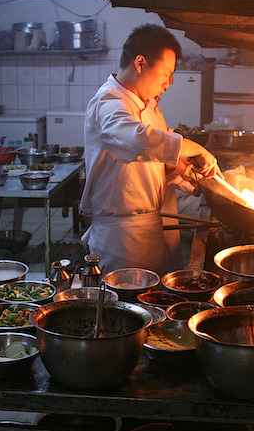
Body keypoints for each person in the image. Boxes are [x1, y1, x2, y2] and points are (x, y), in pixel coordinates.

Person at [81, 24, 219, 275]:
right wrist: (193, 148)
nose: (170, 82)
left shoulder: (150, 107)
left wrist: (181, 171)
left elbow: (146, 160)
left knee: (153, 305)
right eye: (166, 72)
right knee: (126, 305)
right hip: (121, 238)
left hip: (150, 226)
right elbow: (139, 142)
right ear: (140, 63)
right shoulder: (109, 102)